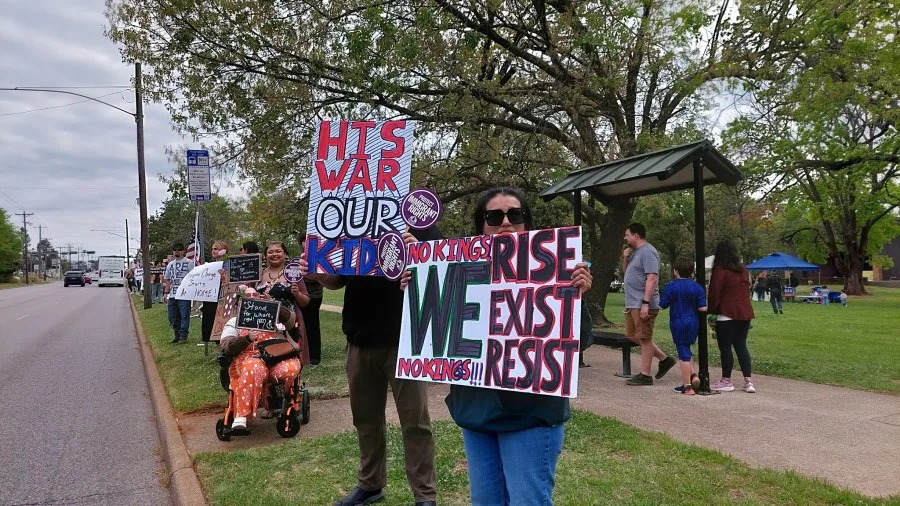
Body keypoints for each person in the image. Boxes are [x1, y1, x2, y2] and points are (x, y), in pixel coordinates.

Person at [440, 187, 593, 506]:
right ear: (482, 225)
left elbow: (580, 340)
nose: (506, 222)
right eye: (494, 216)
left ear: (527, 224)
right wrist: (420, 284)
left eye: (516, 215)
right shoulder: (457, 272)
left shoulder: (555, 272)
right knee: (485, 501)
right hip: (477, 410)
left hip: (531, 413)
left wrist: (577, 297)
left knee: (527, 501)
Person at [300, 229, 440, 506]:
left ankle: (425, 495)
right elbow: (336, 280)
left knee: (415, 421)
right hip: (359, 338)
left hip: (405, 339)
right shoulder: (352, 224)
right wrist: (319, 274)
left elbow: (440, 269)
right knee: (365, 419)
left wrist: (420, 250)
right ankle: (370, 484)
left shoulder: (417, 220)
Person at [218, 287, 302, 432]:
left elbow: (291, 321)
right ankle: (242, 417)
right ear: (240, 303)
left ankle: (283, 402)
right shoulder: (234, 321)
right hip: (250, 358)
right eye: (248, 295)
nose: (252, 297)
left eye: (255, 294)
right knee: (253, 369)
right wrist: (247, 338)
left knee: (291, 368)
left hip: (276, 357)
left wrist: (274, 307)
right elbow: (227, 346)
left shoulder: (274, 317)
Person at [622, 223, 676, 386]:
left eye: (627, 235)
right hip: (633, 302)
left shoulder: (649, 252)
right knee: (632, 335)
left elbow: (652, 278)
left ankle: (645, 375)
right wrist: (625, 258)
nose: (625, 238)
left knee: (645, 338)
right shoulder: (635, 253)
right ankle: (664, 359)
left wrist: (645, 303)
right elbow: (627, 273)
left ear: (636, 236)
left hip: (643, 303)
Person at [707, 241, 756, 393]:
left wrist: (711, 312)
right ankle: (748, 381)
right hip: (744, 313)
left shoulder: (720, 270)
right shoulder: (743, 270)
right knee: (741, 345)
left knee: (726, 347)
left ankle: (726, 380)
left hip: (726, 314)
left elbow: (715, 293)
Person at [659, 258, 708, 395]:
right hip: (694, 322)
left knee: (683, 354)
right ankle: (693, 376)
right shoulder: (697, 287)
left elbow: (662, 305)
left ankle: (687, 387)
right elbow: (703, 308)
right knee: (687, 349)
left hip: (678, 322)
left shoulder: (671, 286)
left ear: (676, 271)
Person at [257, 242, 310, 363]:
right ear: (265, 256)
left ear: (285, 254)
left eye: (278, 251)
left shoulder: (293, 274)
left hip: (288, 324)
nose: (274, 254)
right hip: (263, 323)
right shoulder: (258, 275)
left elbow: (305, 301)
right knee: (266, 356)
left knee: (288, 357)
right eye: (270, 252)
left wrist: (297, 293)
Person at [298, 233, 324, 365]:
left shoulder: (318, 257)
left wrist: (307, 276)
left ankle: (315, 355)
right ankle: (301, 353)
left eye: (308, 241)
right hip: (300, 297)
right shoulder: (298, 260)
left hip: (314, 296)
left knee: (312, 325)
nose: (306, 243)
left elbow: (321, 278)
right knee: (301, 325)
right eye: (304, 241)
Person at [164, 243, 195, 344]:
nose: (177, 251)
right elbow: (168, 280)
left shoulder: (189, 263)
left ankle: (183, 336)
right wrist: (166, 293)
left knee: (184, 315)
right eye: (175, 250)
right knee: (172, 316)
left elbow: (193, 277)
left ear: (183, 251)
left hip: (184, 294)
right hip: (173, 294)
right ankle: (176, 334)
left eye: (179, 249)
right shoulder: (170, 264)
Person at [201, 241, 229, 343]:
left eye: (216, 249)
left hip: (224, 298)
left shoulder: (228, 264)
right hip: (210, 298)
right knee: (211, 325)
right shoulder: (209, 265)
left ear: (223, 250)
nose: (213, 251)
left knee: (222, 325)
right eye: (212, 249)